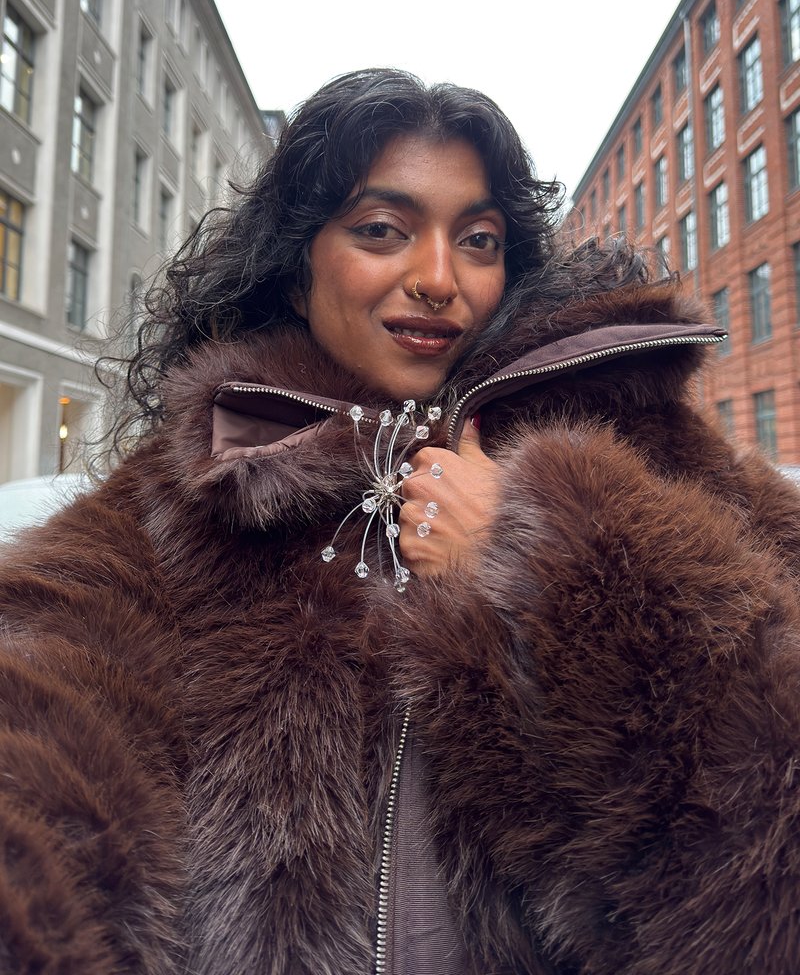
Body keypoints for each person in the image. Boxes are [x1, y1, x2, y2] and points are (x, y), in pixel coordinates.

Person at [0, 68, 798, 975]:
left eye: (479, 239)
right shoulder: (203, 483)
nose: (436, 279)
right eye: (381, 231)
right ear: (299, 268)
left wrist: (550, 557)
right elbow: (49, 713)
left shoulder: (651, 451)